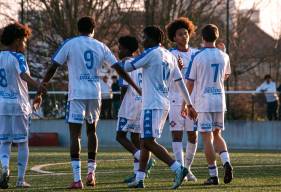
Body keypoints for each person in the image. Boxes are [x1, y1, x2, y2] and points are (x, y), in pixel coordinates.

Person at [33, 16, 140, 189]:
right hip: (94, 93)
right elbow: (118, 69)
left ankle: (77, 179)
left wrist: (40, 90)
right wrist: (135, 86)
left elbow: (53, 66)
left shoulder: (70, 43)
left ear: (78, 29)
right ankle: (91, 173)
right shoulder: (100, 45)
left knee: (75, 135)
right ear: (93, 29)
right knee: (92, 132)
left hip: (76, 94)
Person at [112, 26, 197, 189]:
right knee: (144, 142)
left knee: (149, 142)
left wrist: (111, 61)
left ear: (151, 39)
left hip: (152, 104)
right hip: (162, 103)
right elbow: (180, 83)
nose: (142, 41)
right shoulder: (170, 55)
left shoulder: (151, 53)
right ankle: (140, 178)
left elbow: (127, 67)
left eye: (144, 37)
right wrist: (190, 104)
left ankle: (178, 168)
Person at [183, 24, 233, 185]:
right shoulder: (224, 56)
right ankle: (226, 161)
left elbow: (189, 83)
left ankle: (213, 175)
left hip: (203, 102)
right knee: (217, 134)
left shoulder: (197, 56)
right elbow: (225, 76)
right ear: (216, 37)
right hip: (219, 99)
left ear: (202, 37)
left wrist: (185, 103)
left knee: (206, 138)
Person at [0, 22, 46, 188]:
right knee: (22, 142)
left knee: (4, 142)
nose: (25, 44)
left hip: (2, 104)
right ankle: (20, 180)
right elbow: (24, 75)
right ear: (17, 40)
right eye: (24, 40)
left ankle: (5, 167)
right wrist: (38, 85)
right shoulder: (18, 57)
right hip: (19, 104)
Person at [115, 35, 155, 183]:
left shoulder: (124, 64)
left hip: (129, 104)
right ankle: (138, 173)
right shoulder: (139, 62)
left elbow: (124, 87)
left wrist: (120, 106)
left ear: (126, 50)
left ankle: (142, 157)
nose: (118, 51)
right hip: (142, 103)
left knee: (120, 136)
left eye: (120, 48)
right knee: (135, 138)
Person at [166, 17, 198, 182]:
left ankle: (188, 169)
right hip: (175, 99)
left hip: (192, 101)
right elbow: (166, 79)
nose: (184, 36)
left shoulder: (196, 54)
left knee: (193, 136)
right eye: (180, 34)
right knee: (177, 135)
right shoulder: (170, 55)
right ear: (174, 37)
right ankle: (180, 169)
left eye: (186, 33)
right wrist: (176, 69)